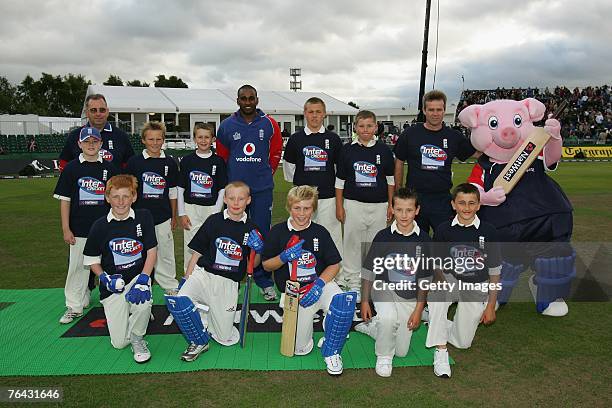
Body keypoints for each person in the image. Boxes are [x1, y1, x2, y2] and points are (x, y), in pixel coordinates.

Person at [262, 185, 356, 375]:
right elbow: (266, 265)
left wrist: (319, 285)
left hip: (320, 285)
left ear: (313, 209)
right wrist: (283, 257)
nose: (302, 213)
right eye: (297, 208)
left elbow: (334, 264)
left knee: (342, 305)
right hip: (295, 293)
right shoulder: (278, 231)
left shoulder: (320, 232)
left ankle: (331, 348)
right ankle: (323, 332)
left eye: (307, 208)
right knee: (300, 349)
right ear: (289, 208)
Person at [165, 181, 262, 361]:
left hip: (228, 283)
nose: (236, 202)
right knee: (181, 300)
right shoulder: (214, 220)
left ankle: (210, 317)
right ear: (224, 198)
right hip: (204, 274)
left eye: (241, 199)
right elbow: (197, 253)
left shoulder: (252, 228)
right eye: (231, 198)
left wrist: (257, 251)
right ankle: (200, 340)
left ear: (248, 201)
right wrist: (186, 278)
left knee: (226, 338)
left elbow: (253, 264)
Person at [426, 183, 502, 378]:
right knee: (436, 295)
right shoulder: (444, 229)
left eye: (471, 203)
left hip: (476, 285)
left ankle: (435, 320)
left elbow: (494, 271)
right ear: (453, 205)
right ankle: (441, 352)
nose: (466, 208)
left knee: (463, 343)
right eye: (461, 203)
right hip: (451, 280)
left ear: (478, 205)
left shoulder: (489, 231)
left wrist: (491, 305)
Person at [215, 85, 283, 301]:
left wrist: (266, 174)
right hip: (236, 193)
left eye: (251, 98)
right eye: (243, 98)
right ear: (237, 100)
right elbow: (223, 155)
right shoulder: (226, 126)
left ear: (257, 99)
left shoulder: (269, 124)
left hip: (262, 190)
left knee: (261, 234)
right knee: (233, 234)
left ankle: (263, 280)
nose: (247, 101)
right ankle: (232, 278)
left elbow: (275, 152)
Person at [83, 174, 158, 363]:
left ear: (134, 197)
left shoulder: (144, 217)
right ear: (107, 198)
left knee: (143, 300)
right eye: (116, 197)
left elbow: (151, 251)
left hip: (137, 278)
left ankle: (138, 337)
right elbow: (91, 259)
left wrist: (143, 279)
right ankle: (137, 319)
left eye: (126, 196)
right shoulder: (99, 226)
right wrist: (104, 278)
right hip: (113, 284)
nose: (121, 202)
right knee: (119, 343)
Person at [355, 188, 430, 377]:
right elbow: (368, 270)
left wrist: (419, 309)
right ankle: (383, 357)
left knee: (402, 351)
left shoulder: (424, 239)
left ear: (417, 210)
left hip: (409, 294)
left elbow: (424, 279)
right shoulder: (383, 236)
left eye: (409, 210)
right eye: (399, 210)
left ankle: (374, 329)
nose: (404, 215)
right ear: (392, 209)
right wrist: (364, 300)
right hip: (384, 289)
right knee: (388, 318)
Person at [53, 127, 119, 324]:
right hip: (79, 228)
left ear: (101, 144)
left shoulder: (110, 168)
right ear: (79, 144)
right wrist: (66, 228)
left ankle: (112, 301)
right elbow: (64, 200)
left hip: (105, 228)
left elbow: (117, 199)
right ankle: (74, 305)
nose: (91, 145)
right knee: (78, 267)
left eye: (95, 141)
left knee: (109, 266)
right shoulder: (72, 169)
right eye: (87, 142)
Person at [393, 90, 478, 235]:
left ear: (444, 110)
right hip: (415, 198)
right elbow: (399, 161)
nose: (435, 113)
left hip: (442, 200)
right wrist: (398, 190)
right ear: (424, 111)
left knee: (445, 243)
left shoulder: (453, 136)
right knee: (415, 242)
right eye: (431, 109)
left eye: (439, 109)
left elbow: (476, 153)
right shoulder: (410, 134)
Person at [335, 110, 395, 297]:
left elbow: (390, 180)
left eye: (369, 125)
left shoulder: (384, 150)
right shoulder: (347, 150)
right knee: (352, 244)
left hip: (379, 205)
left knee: (374, 245)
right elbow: (340, 181)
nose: (365, 129)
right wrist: (339, 205)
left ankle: (373, 281)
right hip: (353, 204)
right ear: (355, 127)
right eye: (361, 126)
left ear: (376, 127)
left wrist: (390, 204)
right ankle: (352, 281)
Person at [283, 97, 344, 264]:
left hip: (328, 198)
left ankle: (336, 275)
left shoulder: (333, 139)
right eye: (311, 112)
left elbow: (339, 171)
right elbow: (289, 170)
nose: (314, 116)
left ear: (324, 114)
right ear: (305, 114)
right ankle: (304, 271)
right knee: (303, 236)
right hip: (302, 200)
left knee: (332, 236)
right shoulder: (296, 139)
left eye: (318, 112)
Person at [126, 121, 179, 293]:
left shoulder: (170, 163)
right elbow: (130, 191)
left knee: (165, 255)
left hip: (162, 217)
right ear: (143, 140)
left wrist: (173, 216)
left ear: (163, 140)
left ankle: (170, 288)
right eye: (151, 139)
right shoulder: (135, 162)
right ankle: (142, 287)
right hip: (140, 218)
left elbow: (172, 192)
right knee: (139, 255)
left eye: (158, 139)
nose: (155, 143)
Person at [177, 123, 227, 273]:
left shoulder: (218, 162)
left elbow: (222, 189)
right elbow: (180, 188)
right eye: (200, 137)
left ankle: (207, 276)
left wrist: (216, 213)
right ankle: (188, 278)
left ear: (213, 139)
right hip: (191, 208)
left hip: (211, 208)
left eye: (207, 137)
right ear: (194, 138)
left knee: (211, 243)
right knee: (190, 243)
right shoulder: (187, 161)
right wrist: (181, 213)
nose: (203, 140)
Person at [59, 93, 134, 171]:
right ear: (87, 113)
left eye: (102, 110)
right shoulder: (74, 136)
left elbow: (130, 166)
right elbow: (64, 165)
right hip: (84, 182)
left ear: (107, 112)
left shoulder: (121, 136)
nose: (98, 114)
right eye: (93, 110)